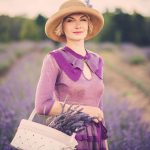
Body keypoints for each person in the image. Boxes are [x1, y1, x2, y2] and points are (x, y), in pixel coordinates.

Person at [35, 0, 109, 149]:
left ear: (89, 25)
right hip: (67, 137)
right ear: (62, 27)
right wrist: (86, 111)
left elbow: (98, 108)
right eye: (70, 20)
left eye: (83, 19)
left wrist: (104, 144)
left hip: (96, 138)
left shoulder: (97, 60)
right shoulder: (54, 59)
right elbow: (42, 106)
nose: (78, 25)